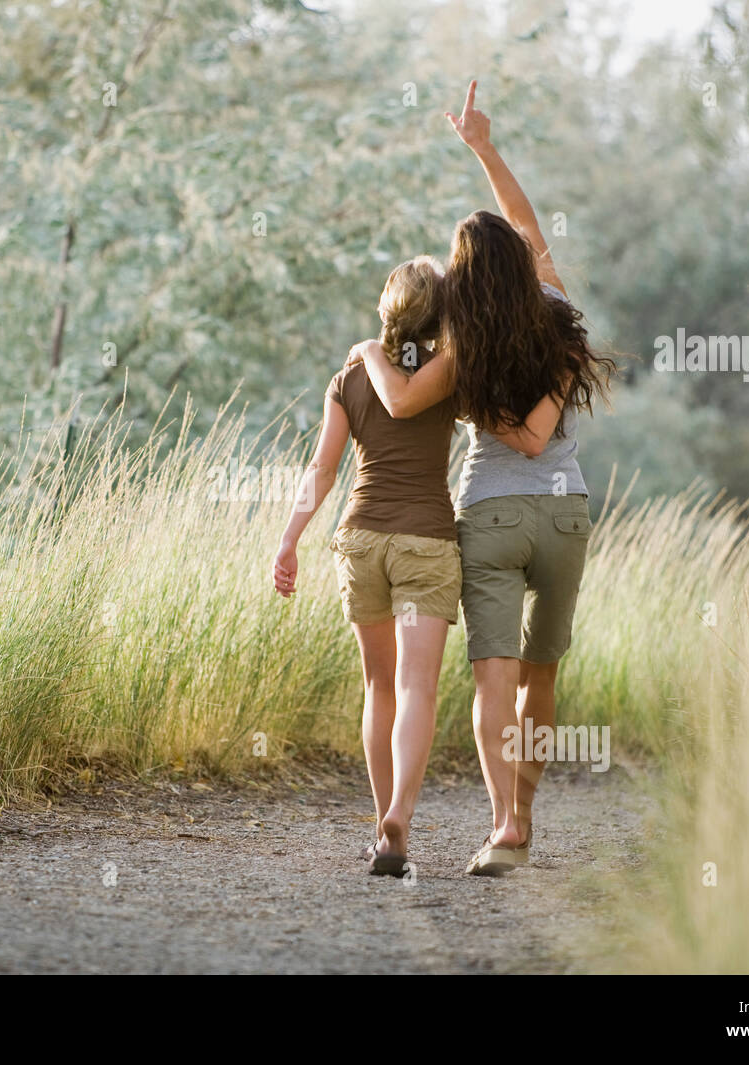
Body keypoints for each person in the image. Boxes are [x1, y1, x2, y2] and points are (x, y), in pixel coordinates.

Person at [349, 82, 616, 875]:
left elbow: (400, 401)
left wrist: (371, 352)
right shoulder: (557, 309)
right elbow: (526, 221)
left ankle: (504, 828)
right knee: (542, 672)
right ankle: (523, 815)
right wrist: (484, 148)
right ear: (521, 261)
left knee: (492, 674)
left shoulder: (462, 347)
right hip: (565, 515)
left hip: (491, 513)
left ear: (466, 282)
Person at [272, 256, 460, 877]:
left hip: (360, 541)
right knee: (415, 687)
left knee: (379, 686)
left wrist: (289, 539)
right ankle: (400, 816)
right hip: (424, 543)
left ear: (385, 311)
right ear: (439, 316)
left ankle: (385, 828)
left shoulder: (348, 377)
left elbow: (321, 470)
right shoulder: (449, 372)